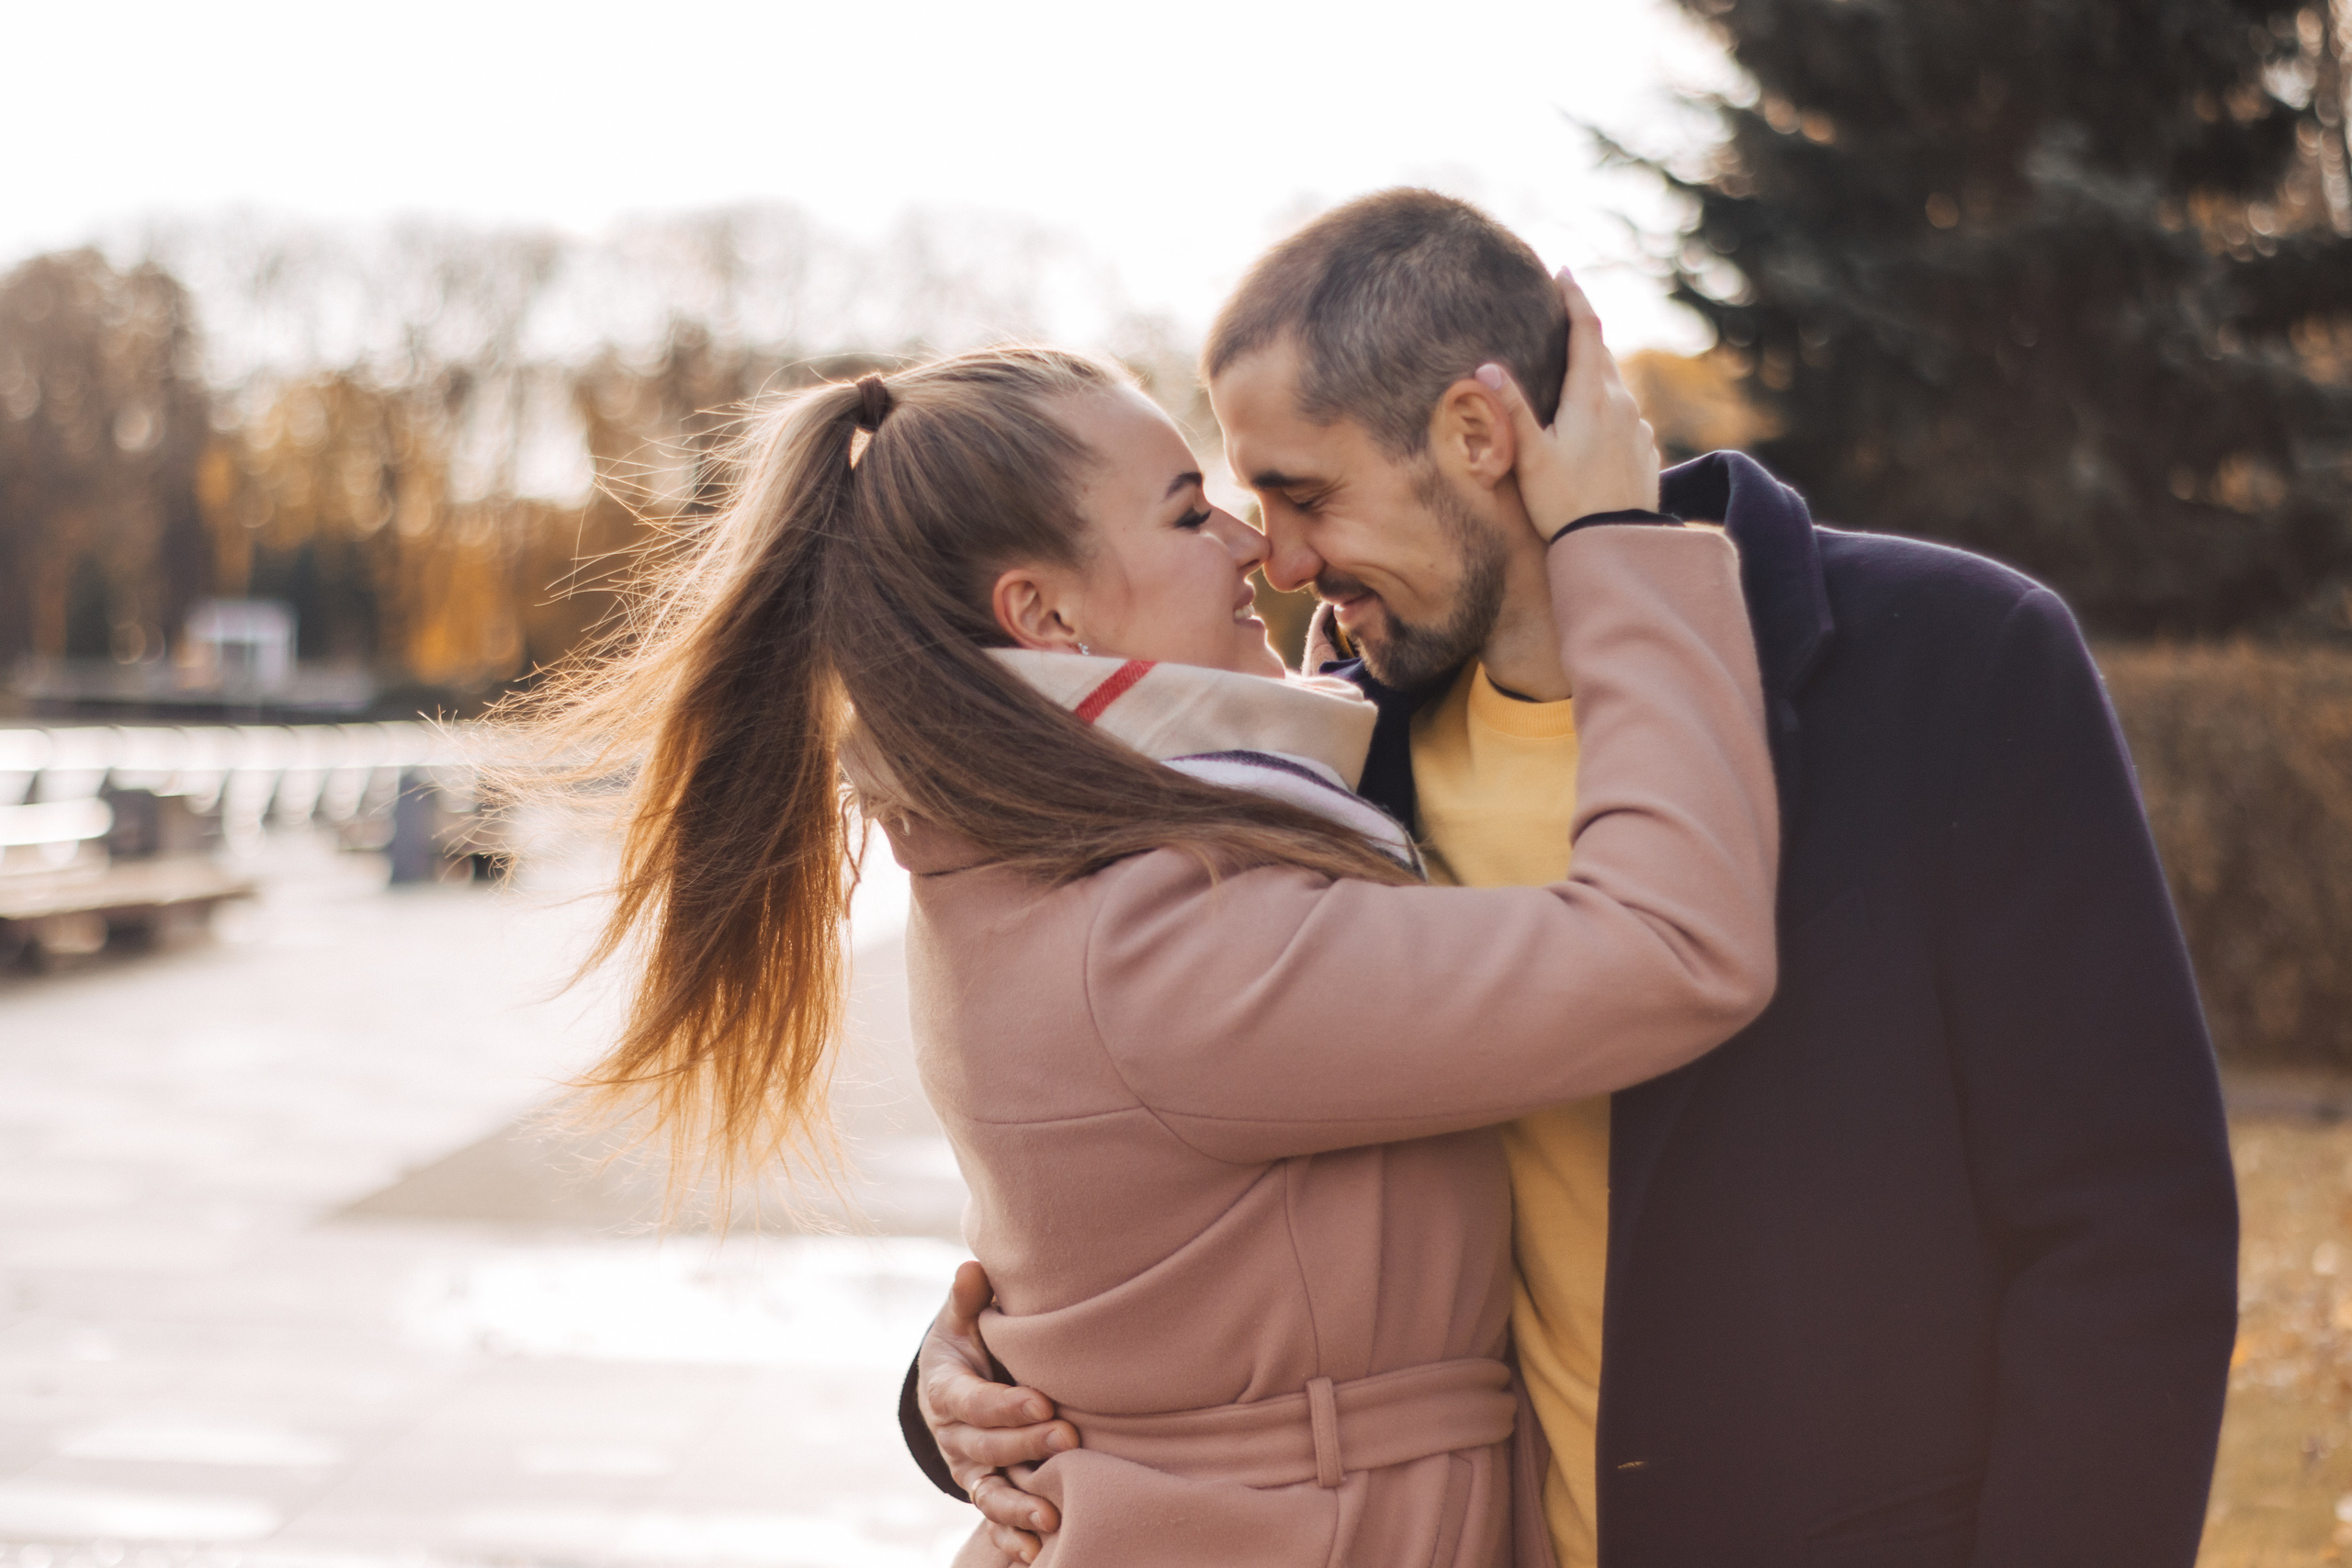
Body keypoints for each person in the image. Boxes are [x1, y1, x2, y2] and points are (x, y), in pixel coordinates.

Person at [910, 190, 2241, 1568]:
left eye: (1305, 495)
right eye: (1244, 506)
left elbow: (2127, 1238)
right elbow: (1159, 1171)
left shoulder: (1951, 660)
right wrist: (957, 1383)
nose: (1285, 562)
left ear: (1477, 438)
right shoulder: (1335, 764)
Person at [503, 319, 1780, 1567]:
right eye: (1186, 512)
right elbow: (1672, 948)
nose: (1249, 546)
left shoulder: (1034, 862)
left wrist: (963, 1368)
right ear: (1047, 618)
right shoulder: (1160, 941)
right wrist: (1624, 548)